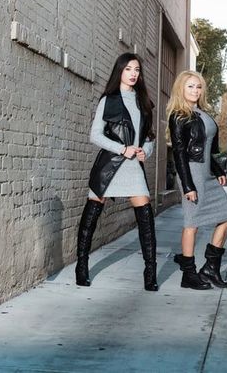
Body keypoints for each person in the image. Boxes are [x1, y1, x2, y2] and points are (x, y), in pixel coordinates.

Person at [76, 53, 158, 291]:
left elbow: (149, 137)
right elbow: (95, 135)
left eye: (137, 70)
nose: (133, 74)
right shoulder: (108, 100)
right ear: (120, 71)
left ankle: (150, 272)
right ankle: (82, 265)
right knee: (91, 217)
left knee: (146, 218)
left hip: (133, 167)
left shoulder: (144, 102)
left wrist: (146, 151)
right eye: (128, 69)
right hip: (109, 166)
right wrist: (122, 148)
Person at [167, 71, 227, 290]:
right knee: (192, 223)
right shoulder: (179, 115)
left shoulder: (201, 113)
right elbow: (179, 152)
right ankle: (189, 274)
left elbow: (207, 149)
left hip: (206, 174)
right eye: (190, 87)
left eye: (198, 87)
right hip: (192, 174)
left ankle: (210, 268)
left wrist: (218, 170)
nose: (195, 91)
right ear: (181, 89)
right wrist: (188, 185)